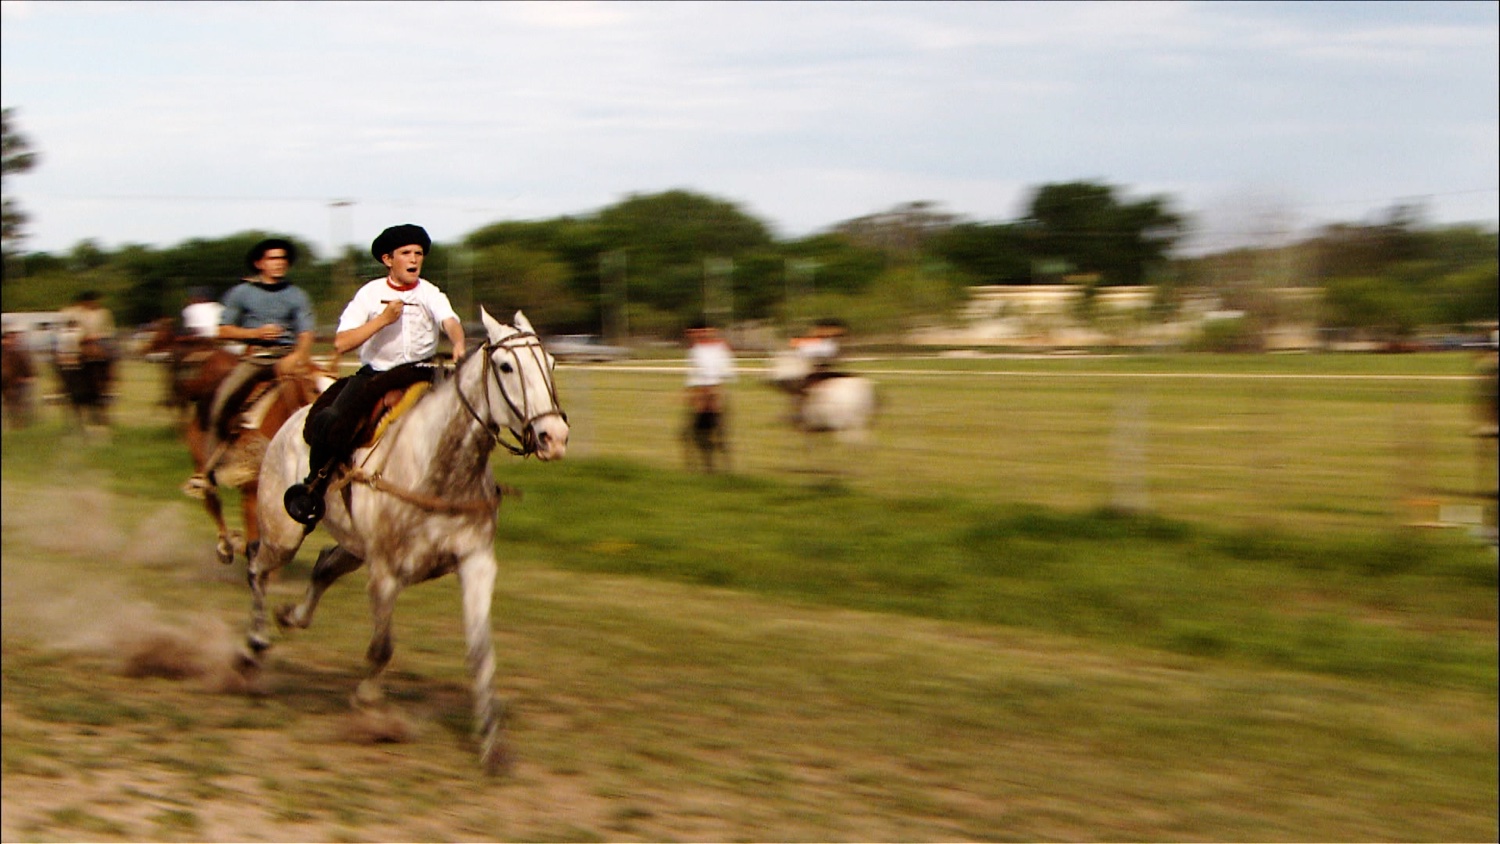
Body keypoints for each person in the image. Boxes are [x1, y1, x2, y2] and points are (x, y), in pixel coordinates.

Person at [284, 223, 466, 527]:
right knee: (333, 421)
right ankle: (314, 487)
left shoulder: (430, 292)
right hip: (377, 374)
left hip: (424, 372)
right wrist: (382, 320)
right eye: (406, 253)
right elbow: (342, 343)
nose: (414, 259)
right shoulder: (369, 295)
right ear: (387, 260)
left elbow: (449, 321)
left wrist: (458, 342)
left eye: (418, 253)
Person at [189, 239, 317, 486]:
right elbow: (223, 331)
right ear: (260, 263)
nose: (278, 263)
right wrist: (255, 334)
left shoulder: (297, 295)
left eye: (282, 259)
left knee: (327, 393)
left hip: (290, 357)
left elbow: (306, 333)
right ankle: (210, 467)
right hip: (257, 358)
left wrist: (298, 356)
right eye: (272, 258)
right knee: (221, 400)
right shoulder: (242, 293)